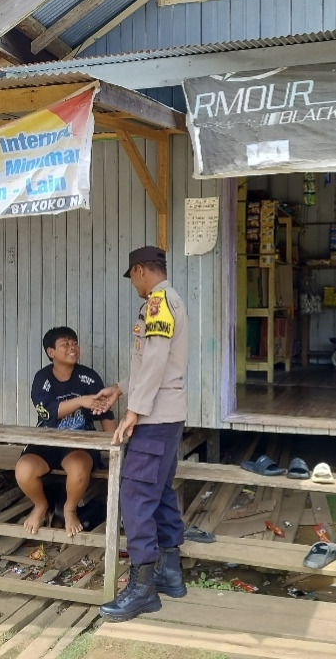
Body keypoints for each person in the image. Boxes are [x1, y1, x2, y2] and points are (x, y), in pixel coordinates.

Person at [92, 245, 189, 622]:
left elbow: (155, 360)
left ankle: (143, 587)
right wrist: (119, 387)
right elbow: (152, 364)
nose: (133, 283)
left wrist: (132, 411)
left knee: (134, 494)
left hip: (155, 417)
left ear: (139, 271)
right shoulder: (171, 300)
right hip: (166, 413)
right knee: (159, 490)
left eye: (131, 277)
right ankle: (169, 572)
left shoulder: (158, 302)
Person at [16, 326, 114, 537]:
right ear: (51, 352)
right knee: (23, 470)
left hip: (79, 443)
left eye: (74, 343)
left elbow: (105, 414)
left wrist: (115, 448)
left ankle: (69, 509)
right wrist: (81, 401)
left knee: (79, 468)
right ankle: (40, 505)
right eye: (65, 344)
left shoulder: (89, 378)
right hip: (46, 440)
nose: (72, 348)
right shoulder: (42, 379)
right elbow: (49, 413)